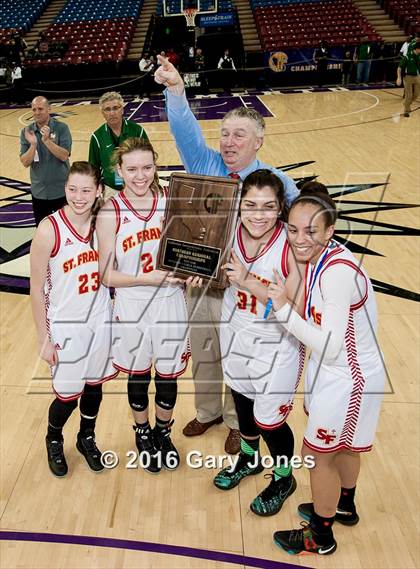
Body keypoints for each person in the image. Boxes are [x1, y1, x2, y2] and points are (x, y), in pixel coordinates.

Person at [154, 55, 299, 455]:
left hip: (246, 289)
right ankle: (208, 410)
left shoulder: (278, 183)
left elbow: (304, 232)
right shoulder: (205, 163)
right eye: (224, 134)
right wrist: (176, 91)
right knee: (203, 349)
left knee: (240, 357)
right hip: (201, 279)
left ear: (258, 140)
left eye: (238, 135)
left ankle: (238, 421)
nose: (228, 142)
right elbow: (186, 135)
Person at [267, 184, 385, 555]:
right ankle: (343, 505)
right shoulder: (321, 260)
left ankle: (320, 536)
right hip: (346, 375)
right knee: (345, 449)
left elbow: (331, 344)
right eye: (293, 229)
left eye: (311, 231)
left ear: (329, 230)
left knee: (319, 456)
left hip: (347, 378)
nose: (299, 239)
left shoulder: (336, 272)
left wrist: (283, 310)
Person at [96, 137, 194, 474]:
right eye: (133, 169)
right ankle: (142, 432)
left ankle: (163, 432)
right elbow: (107, 275)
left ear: (156, 167)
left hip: (170, 302)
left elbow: (192, 249)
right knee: (138, 374)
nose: (141, 176)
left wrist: (194, 272)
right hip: (132, 304)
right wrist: (146, 278)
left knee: (167, 375)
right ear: (119, 171)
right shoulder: (111, 211)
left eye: (148, 168)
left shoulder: (171, 201)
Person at [214, 169, 304, 516]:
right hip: (236, 330)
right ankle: (249, 460)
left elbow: (295, 305)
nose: (258, 213)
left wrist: (248, 281)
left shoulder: (292, 244)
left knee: (271, 421)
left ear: (281, 207)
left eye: (268, 206)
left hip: (276, 344)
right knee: (242, 404)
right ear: (239, 205)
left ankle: (284, 476)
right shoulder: (229, 234)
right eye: (250, 204)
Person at [30, 161, 117, 477]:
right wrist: (44, 339)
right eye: (72, 189)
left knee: (94, 387)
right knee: (67, 396)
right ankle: (54, 438)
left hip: (100, 320)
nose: (78, 197)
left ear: (97, 191)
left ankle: (86, 437)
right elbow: (37, 290)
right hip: (66, 327)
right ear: (65, 188)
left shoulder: (104, 225)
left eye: (85, 190)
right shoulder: (49, 229)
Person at [20, 96, 72, 226]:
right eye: (34, 109)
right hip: (39, 192)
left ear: (49, 109)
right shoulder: (26, 132)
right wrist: (33, 145)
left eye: (40, 109)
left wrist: (46, 141)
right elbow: (25, 162)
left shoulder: (62, 128)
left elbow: (64, 156)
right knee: (43, 229)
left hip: (61, 191)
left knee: (66, 228)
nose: (37, 112)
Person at [88, 91, 149, 199]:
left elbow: (149, 160)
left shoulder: (137, 131)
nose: (112, 113)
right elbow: (94, 168)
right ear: (102, 113)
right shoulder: (97, 137)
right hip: (111, 190)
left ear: (122, 109)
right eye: (107, 109)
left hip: (137, 188)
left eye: (116, 108)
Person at [396, 40, 420, 118]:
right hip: (407, 77)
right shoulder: (407, 56)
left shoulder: (419, 57)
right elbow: (399, 67)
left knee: (416, 94)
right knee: (409, 95)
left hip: (417, 76)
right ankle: (406, 110)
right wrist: (399, 78)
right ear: (417, 49)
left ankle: (406, 103)